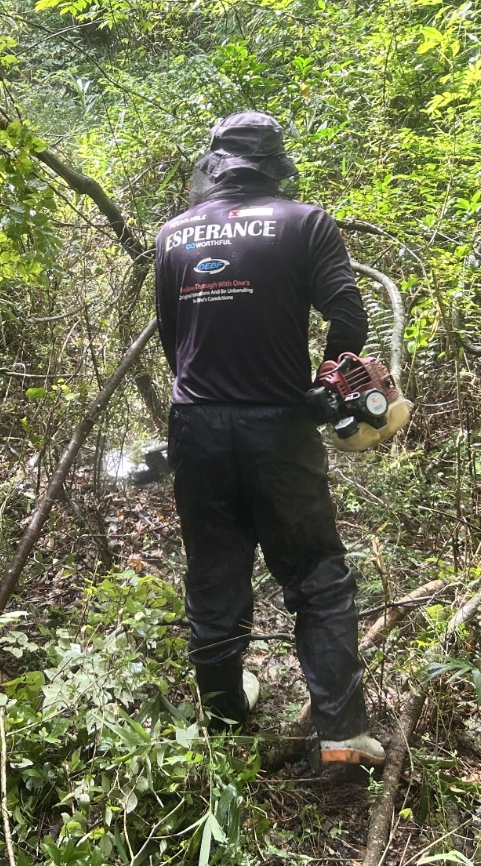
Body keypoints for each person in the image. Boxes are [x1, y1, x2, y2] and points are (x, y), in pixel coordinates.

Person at [154, 111, 385, 767]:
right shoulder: (305, 222)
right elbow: (348, 315)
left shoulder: (172, 235)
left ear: (217, 161)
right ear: (275, 163)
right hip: (280, 427)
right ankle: (341, 735)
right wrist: (328, 386)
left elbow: (175, 344)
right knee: (316, 578)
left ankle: (226, 735)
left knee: (214, 584)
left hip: (196, 428)